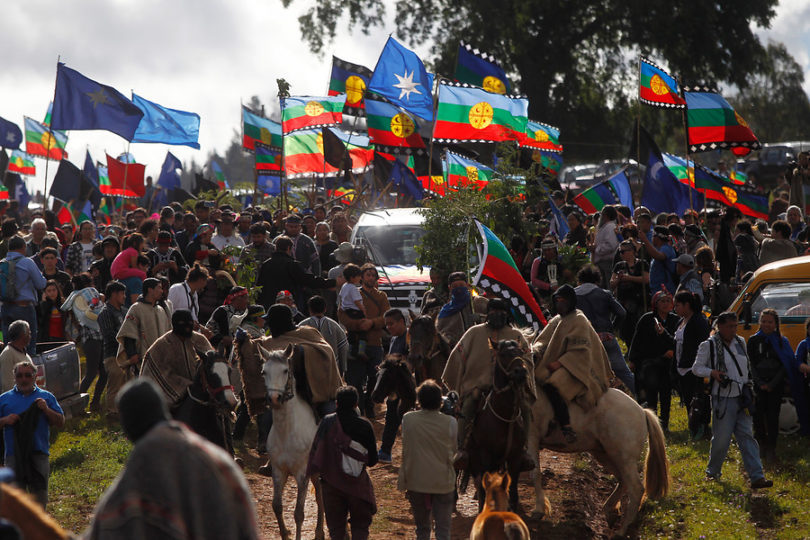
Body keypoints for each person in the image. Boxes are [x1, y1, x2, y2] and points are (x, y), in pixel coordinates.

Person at [84, 378, 260, 540]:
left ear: (128, 431)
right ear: (163, 411)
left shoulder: (138, 478)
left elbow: (106, 528)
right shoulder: (219, 460)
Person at [442, 298, 535, 470]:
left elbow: (527, 359)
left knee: (525, 407)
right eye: (492, 311)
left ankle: (524, 450)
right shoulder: (474, 332)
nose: (496, 315)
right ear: (487, 313)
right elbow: (457, 358)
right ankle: (461, 449)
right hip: (478, 385)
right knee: (468, 406)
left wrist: (520, 374)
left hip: (510, 387)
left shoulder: (517, 335)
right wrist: (460, 388)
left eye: (500, 311)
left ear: (506, 314)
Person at [691, 312, 773, 488]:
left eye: (735, 326)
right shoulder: (709, 345)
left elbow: (746, 368)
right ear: (720, 326)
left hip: (742, 397)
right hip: (723, 398)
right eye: (730, 326)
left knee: (747, 436)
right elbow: (696, 368)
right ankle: (712, 473)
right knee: (721, 438)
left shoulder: (740, 343)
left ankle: (757, 476)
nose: (734, 330)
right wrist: (712, 373)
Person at [533, 285, 614, 444]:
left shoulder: (579, 319)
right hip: (557, 364)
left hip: (576, 367)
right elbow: (543, 340)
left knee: (552, 385)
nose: (560, 303)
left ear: (571, 301)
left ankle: (566, 425)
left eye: (563, 300)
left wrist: (560, 363)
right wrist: (534, 351)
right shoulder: (557, 320)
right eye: (557, 300)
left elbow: (581, 351)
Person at [307, 385, 377, 540]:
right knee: (360, 527)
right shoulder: (365, 426)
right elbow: (373, 461)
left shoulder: (327, 423)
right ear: (356, 405)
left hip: (331, 487)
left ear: (336, 404)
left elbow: (315, 453)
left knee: (336, 531)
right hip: (358, 487)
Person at [0, 360, 64, 507]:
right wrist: (5, 420)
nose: (24, 379)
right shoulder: (4, 399)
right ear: (14, 378)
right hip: (13, 455)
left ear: (35, 377)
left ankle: (38, 526)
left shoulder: (46, 397)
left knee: (40, 497)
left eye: (28, 375)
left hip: (39, 453)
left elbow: (60, 422)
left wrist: (46, 410)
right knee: (15, 500)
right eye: (20, 376)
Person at [398, 380, 456, 540]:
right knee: (443, 530)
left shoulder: (407, 419)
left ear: (419, 400)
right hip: (443, 482)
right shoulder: (451, 422)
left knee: (422, 529)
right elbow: (454, 449)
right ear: (440, 401)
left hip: (416, 481)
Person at [339, 264, 390, 418]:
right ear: (361, 276)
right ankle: (358, 408)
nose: (370, 278)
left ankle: (369, 404)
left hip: (375, 343)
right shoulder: (352, 292)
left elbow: (386, 317)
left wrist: (372, 323)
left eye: (373, 275)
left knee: (375, 379)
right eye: (368, 274)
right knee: (354, 380)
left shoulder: (381, 296)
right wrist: (357, 325)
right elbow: (341, 313)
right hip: (355, 341)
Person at [574, 264, 633, 394]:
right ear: (597, 280)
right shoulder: (604, 294)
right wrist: (612, 327)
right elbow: (622, 313)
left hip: (585, 340)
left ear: (580, 280)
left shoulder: (573, 295)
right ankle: (642, 398)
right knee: (623, 372)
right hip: (606, 337)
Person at [140, 310, 215, 410]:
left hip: (202, 393)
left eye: (190, 324)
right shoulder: (163, 344)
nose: (187, 328)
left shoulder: (200, 340)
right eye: (183, 325)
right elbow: (158, 373)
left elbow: (213, 363)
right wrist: (186, 386)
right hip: (171, 397)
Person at [627, 291, 679, 431]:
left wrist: (672, 352)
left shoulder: (675, 320)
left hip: (668, 364)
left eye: (669, 301)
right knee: (651, 393)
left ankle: (665, 423)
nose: (666, 304)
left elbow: (676, 341)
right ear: (655, 304)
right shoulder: (647, 319)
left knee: (666, 394)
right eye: (662, 301)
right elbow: (637, 341)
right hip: (650, 362)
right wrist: (632, 359)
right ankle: (652, 423)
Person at [747, 309, 791, 462]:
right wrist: (760, 383)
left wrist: (772, 384)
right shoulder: (753, 340)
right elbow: (751, 363)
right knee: (758, 416)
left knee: (773, 417)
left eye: (769, 322)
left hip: (775, 385)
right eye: (763, 321)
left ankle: (772, 447)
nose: (766, 324)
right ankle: (761, 445)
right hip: (759, 385)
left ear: (775, 324)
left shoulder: (781, 341)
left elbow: (784, 365)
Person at [62, 274, 106, 412]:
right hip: (91, 337)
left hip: (99, 335)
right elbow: (86, 316)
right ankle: (77, 406)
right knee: (92, 372)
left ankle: (95, 402)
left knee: (104, 373)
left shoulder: (80, 296)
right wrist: (94, 304)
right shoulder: (80, 297)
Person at [115, 278, 172, 381]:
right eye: (159, 288)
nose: (161, 291)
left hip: (161, 361)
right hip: (142, 360)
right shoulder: (136, 309)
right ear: (150, 290)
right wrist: (132, 354)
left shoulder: (161, 310)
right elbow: (128, 332)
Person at [672, 290, 711, 439]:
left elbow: (703, 344)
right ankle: (693, 426)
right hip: (681, 367)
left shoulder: (698, 321)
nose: (675, 308)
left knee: (700, 399)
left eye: (678, 305)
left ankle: (703, 427)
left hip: (694, 367)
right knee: (688, 398)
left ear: (687, 305)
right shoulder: (679, 322)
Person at [256, 236, 334, 309]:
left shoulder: (266, 264)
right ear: (288, 248)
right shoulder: (291, 264)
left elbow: (259, 286)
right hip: (288, 304)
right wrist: (331, 282)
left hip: (268, 305)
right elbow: (308, 280)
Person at [231, 305, 270, 449]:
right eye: (262, 318)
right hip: (245, 376)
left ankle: (240, 436)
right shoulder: (250, 333)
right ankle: (238, 436)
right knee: (250, 407)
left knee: (251, 408)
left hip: (250, 375)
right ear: (256, 318)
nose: (264, 321)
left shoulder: (255, 330)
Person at [1, 236, 47, 355]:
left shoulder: (2, 264)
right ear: (23, 247)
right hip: (24, 307)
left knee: (8, 344)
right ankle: (28, 367)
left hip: (5, 307)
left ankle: (10, 369)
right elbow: (41, 284)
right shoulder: (27, 262)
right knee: (28, 343)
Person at [97, 281, 128, 418]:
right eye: (122, 294)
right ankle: (112, 412)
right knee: (115, 382)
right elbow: (109, 335)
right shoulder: (105, 313)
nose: (124, 297)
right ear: (114, 294)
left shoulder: (124, 311)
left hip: (126, 353)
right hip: (112, 354)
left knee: (126, 383)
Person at [610, 239, 649, 344]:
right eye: (620, 252)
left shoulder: (642, 263)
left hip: (639, 301)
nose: (621, 254)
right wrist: (619, 279)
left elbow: (646, 279)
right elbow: (612, 284)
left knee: (639, 327)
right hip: (623, 302)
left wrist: (629, 278)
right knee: (625, 330)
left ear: (632, 251)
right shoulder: (619, 266)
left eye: (623, 251)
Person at [299, 295, 349, 376]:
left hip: (308, 371)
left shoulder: (302, 326)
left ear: (309, 309)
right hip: (331, 369)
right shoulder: (335, 325)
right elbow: (343, 347)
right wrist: (343, 369)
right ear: (325, 309)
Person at [435, 271, 478, 346]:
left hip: (478, 349)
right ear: (450, 288)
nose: (458, 288)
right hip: (455, 352)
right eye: (455, 286)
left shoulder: (478, 302)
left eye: (461, 285)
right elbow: (439, 333)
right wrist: (450, 341)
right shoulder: (445, 311)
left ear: (467, 285)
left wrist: (480, 317)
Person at [205, 286, 250, 355]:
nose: (247, 301)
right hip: (216, 349)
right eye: (246, 298)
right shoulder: (222, 311)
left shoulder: (243, 313)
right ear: (238, 298)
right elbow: (226, 338)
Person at [639, 226, 676, 295]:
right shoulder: (658, 248)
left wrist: (645, 239)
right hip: (656, 290)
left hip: (665, 290)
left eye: (653, 236)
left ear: (657, 237)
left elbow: (658, 256)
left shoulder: (666, 248)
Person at [592, 205, 620, 289]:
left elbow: (611, 245)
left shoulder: (610, 227)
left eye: (602, 214)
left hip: (607, 263)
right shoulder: (605, 227)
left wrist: (596, 249)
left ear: (606, 215)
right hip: (602, 263)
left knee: (609, 288)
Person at [0, 322, 32, 393]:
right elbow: (7, 386)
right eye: (29, 333)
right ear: (22, 335)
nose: (30, 336)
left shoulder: (25, 355)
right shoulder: (8, 355)